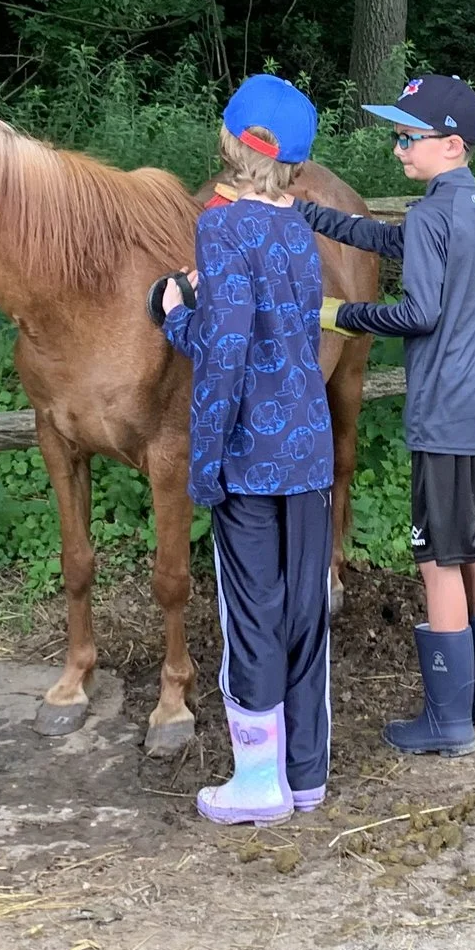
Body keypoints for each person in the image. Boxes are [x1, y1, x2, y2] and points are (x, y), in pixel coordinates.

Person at [299, 75, 475, 758]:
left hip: (446, 415)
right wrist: (313, 214)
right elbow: (391, 241)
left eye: (407, 137)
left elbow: (418, 313)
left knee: (436, 561)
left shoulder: (433, 215)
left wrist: (340, 313)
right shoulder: (470, 206)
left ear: (450, 144)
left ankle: (447, 720)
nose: (398, 148)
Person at [161, 75, 338, 823]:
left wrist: (174, 313)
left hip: (250, 458)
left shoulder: (221, 227)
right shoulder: (299, 227)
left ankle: (256, 779)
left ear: (229, 141)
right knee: (304, 608)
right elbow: (285, 327)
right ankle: (306, 775)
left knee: (251, 613)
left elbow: (226, 348)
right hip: (309, 450)